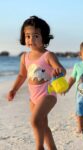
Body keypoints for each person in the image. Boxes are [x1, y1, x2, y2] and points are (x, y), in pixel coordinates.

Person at [7, 16, 66, 150]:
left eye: (35, 36)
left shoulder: (48, 55)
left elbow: (61, 69)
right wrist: (14, 89)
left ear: (44, 37)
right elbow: (22, 75)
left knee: (34, 121)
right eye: (27, 36)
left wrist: (58, 71)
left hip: (48, 93)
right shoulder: (24, 57)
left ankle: (39, 147)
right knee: (42, 125)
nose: (31, 40)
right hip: (33, 97)